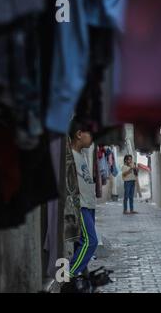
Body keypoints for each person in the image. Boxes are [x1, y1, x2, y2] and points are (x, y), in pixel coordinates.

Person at [68, 118, 99, 279]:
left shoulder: (81, 155)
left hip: (89, 205)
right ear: (79, 134)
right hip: (81, 206)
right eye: (89, 133)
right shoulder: (70, 156)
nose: (92, 137)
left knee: (82, 243)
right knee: (91, 242)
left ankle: (81, 283)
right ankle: (68, 276)